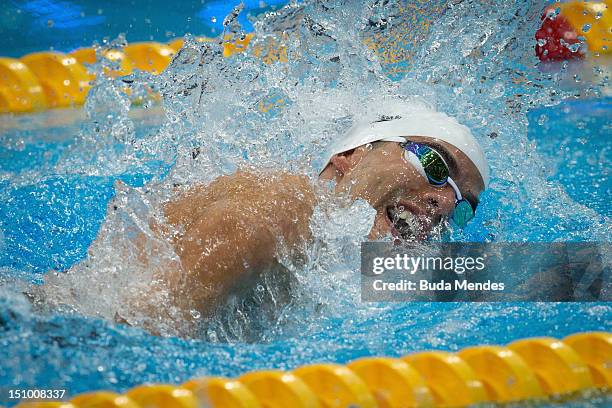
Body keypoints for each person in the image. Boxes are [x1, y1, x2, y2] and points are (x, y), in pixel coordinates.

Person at [36, 99, 489, 336]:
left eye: (463, 206)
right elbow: (128, 331)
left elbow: (542, 276)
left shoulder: (333, 261)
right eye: (434, 165)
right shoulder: (285, 206)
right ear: (352, 155)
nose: (446, 205)